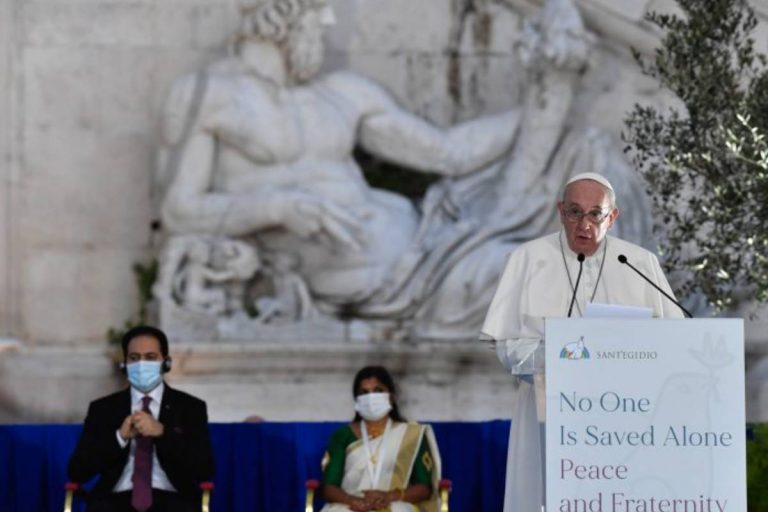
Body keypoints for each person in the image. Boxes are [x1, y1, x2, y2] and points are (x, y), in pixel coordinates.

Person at [480, 172, 686, 512]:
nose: (584, 224)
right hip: (549, 412)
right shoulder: (527, 259)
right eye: (575, 212)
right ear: (560, 211)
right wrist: (562, 359)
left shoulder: (639, 263)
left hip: (627, 419)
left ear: (613, 216)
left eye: (595, 214)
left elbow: (672, 344)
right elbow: (505, 345)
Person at [68, 325, 215, 512]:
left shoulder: (189, 407)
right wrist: (120, 437)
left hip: (173, 499)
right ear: (125, 365)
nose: (141, 364)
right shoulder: (103, 408)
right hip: (114, 501)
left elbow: (204, 469)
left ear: (166, 362)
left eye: (151, 357)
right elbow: (77, 471)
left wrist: (162, 432)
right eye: (134, 358)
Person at [320, 366, 441, 512]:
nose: (371, 397)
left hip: (395, 502)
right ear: (357, 401)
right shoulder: (342, 435)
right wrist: (352, 500)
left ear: (392, 397)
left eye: (378, 390)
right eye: (364, 393)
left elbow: (424, 488)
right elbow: (328, 487)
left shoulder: (410, 435)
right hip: (350, 504)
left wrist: (389, 496)